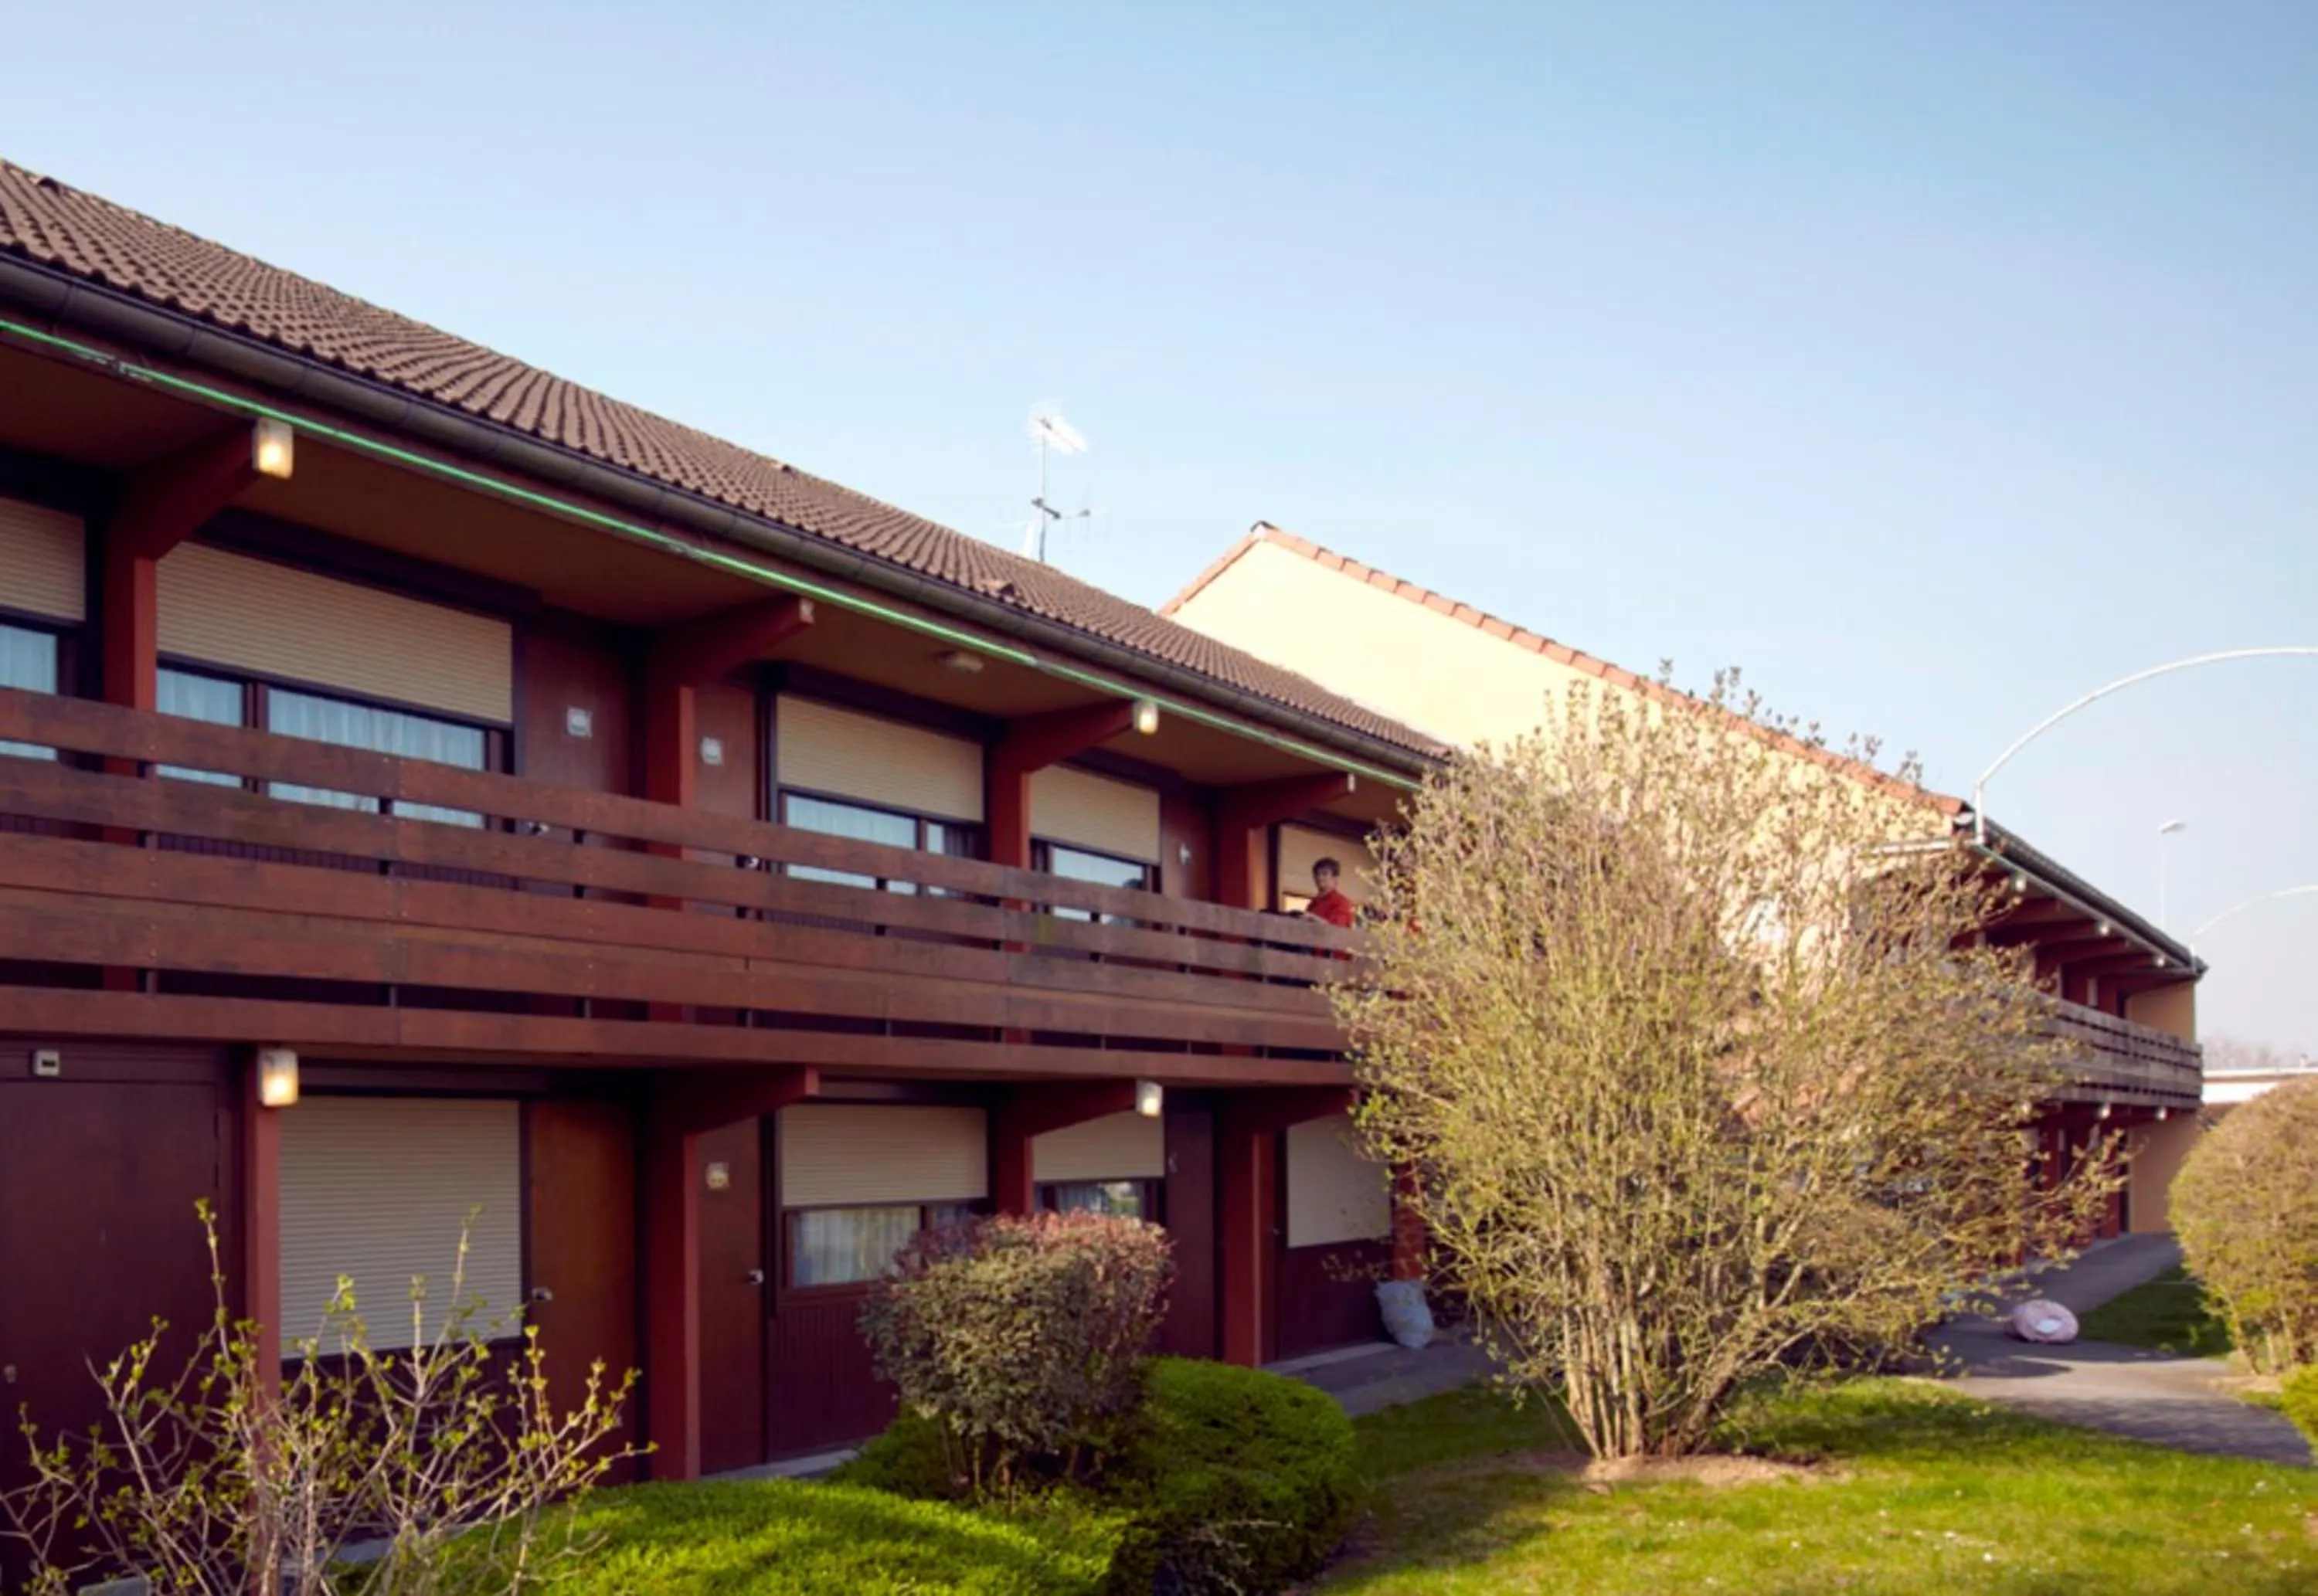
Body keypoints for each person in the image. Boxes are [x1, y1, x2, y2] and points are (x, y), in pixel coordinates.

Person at [1303, 857, 1358, 929]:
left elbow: (1337, 931)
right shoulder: (1312, 905)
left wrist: (1313, 919)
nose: (1319, 877)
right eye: (1317, 874)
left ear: (1335, 878)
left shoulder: (1342, 903)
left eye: (1324, 874)